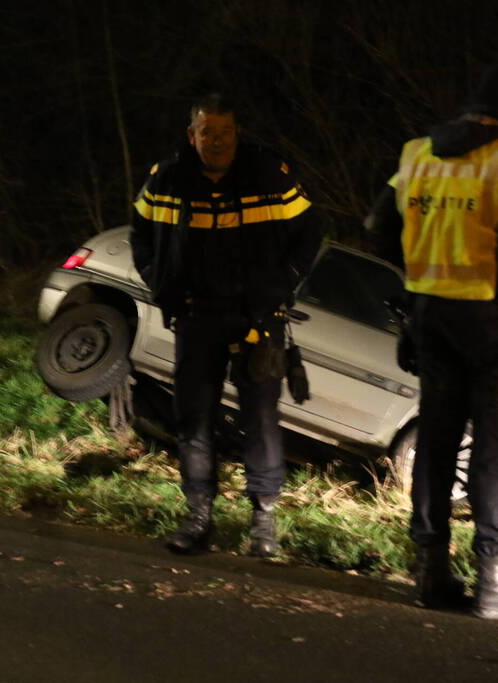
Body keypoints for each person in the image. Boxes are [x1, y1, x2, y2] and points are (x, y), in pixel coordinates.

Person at [366, 64, 498, 619]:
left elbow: (377, 223)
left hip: (429, 312)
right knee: (495, 449)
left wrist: (414, 283)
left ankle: (430, 574)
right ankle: (496, 580)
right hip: (488, 317)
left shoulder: (417, 153)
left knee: (437, 442)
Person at [130, 93, 322, 558]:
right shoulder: (167, 179)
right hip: (196, 317)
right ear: (191, 135)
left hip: (258, 320)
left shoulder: (269, 175)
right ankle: (199, 517)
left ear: (238, 134)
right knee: (193, 421)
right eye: (207, 132)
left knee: (261, 420)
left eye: (225, 132)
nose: (217, 141)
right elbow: (141, 235)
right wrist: (163, 286)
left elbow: (310, 231)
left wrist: (280, 289)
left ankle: (264, 522)